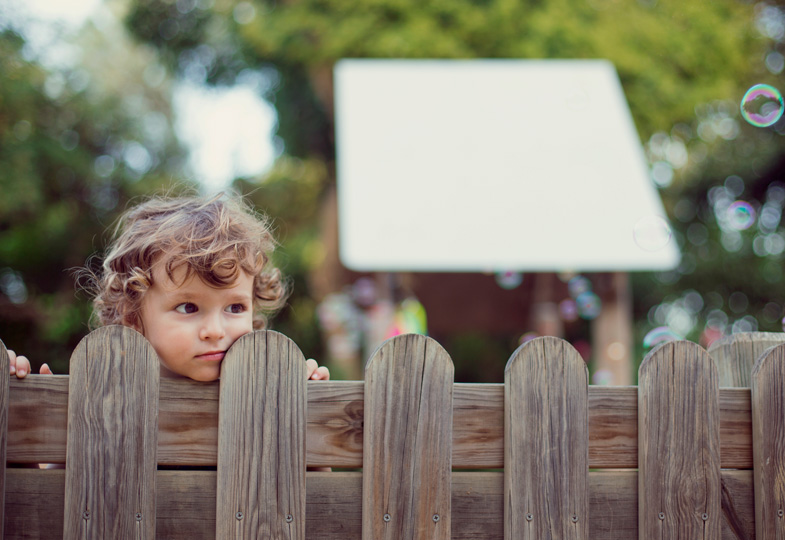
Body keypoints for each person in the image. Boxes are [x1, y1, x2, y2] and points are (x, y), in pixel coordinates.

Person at [7, 192, 329, 383]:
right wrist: (35, 424)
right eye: (188, 307)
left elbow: (313, 493)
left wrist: (308, 415)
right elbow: (51, 491)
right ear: (133, 316)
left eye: (235, 307)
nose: (215, 331)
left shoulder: (266, 393)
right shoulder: (105, 397)